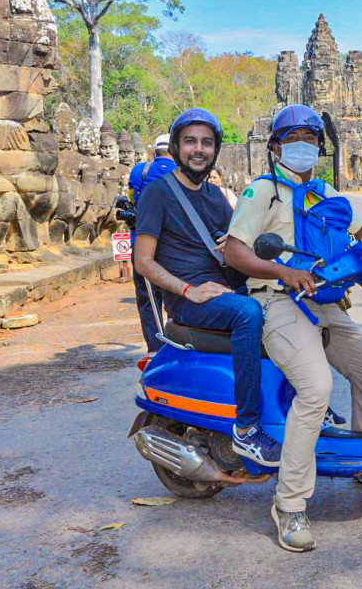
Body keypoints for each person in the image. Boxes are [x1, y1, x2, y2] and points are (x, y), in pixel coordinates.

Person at [224, 104, 362, 553]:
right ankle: (290, 503)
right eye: (295, 137)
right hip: (277, 301)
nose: (305, 145)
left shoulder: (323, 192)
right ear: (276, 146)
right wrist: (281, 273)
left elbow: (359, 231)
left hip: (322, 301)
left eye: (312, 138)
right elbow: (235, 253)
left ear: (320, 146)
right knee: (316, 389)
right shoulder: (261, 192)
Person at [134, 108, 281, 467]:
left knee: (293, 304)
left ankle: (300, 407)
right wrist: (189, 291)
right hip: (191, 300)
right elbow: (143, 261)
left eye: (206, 143)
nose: (198, 149)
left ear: (215, 150)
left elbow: (237, 247)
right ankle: (247, 430)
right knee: (247, 314)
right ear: (176, 147)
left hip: (224, 287)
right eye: (190, 142)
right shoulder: (157, 193)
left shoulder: (216, 196)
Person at [127, 133, 177, 356]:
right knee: (177, 293)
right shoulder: (182, 172)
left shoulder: (140, 171)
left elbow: (130, 199)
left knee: (148, 299)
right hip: (174, 245)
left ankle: (155, 348)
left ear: (154, 152)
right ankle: (179, 340)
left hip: (141, 243)